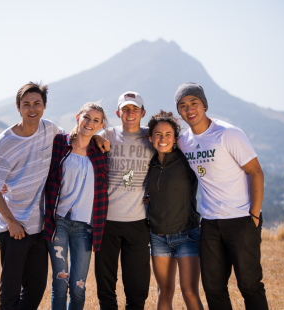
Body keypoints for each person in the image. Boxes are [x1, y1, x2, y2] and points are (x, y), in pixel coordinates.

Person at [0, 82, 110, 310]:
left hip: (40, 226)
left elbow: (75, 136)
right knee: (11, 289)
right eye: (26, 104)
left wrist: (98, 137)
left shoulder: (49, 130)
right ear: (18, 107)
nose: (32, 109)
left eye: (37, 104)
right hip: (14, 227)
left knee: (36, 288)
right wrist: (10, 221)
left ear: (44, 106)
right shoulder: (4, 143)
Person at [175, 82, 269, 310]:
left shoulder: (228, 133)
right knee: (213, 287)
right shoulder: (183, 141)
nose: (189, 110)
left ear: (204, 105)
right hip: (209, 223)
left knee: (249, 284)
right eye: (183, 106)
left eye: (194, 103)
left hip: (241, 219)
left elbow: (256, 172)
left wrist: (254, 216)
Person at [43, 101, 109, 310]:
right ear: (77, 117)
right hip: (60, 221)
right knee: (60, 282)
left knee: (79, 286)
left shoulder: (100, 151)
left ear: (100, 126)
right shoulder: (60, 144)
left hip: (85, 226)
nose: (90, 122)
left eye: (96, 120)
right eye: (86, 117)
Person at [94, 91, 153, 310]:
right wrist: (95, 136)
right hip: (106, 221)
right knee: (105, 283)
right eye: (125, 109)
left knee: (137, 284)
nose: (130, 113)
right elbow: (80, 134)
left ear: (143, 113)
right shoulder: (106, 134)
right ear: (118, 113)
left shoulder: (152, 137)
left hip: (138, 221)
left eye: (134, 109)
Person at [144, 110, 203, 310]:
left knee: (189, 291)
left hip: (187, 235)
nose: (163, 139)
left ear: (175, 138)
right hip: (158, 237)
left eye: (168, 134)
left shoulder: (186, 159)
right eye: (158, 134)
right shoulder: (149, 164)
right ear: (150, 138)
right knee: (164, 291)